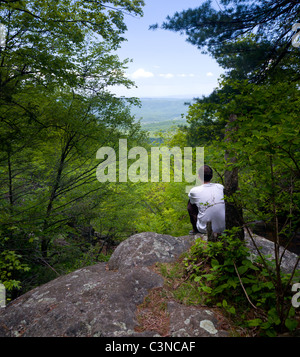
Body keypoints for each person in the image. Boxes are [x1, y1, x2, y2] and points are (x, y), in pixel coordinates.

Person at [187, 165, 225, 235]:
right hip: (224, 227)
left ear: (199, 177)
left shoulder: (194, 191)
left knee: (190, 203)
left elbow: (192, 207)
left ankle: (195, 229)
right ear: (212, 176)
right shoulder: (220, 187)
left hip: (204, 229)